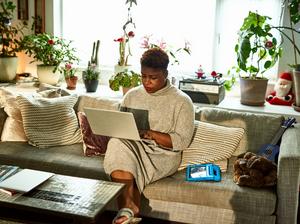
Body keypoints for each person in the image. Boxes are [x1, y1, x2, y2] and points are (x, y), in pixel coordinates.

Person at [103, 48, 195, 224]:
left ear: (166, 74)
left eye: (153, 77)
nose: (147, 82)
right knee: (116, 143)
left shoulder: (182, 101)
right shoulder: (132, 95)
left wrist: (151, 134)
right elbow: (120, 125)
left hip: (163, 155)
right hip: (133, 147)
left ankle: (128, 211)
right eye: (143, 76)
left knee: (123, 155)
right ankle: (129, 212)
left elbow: (182, 141)